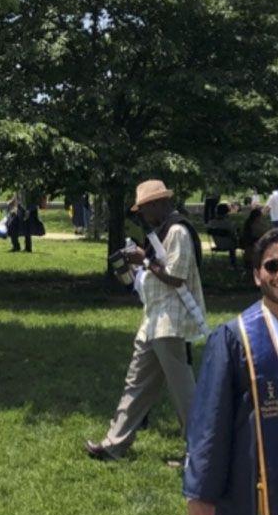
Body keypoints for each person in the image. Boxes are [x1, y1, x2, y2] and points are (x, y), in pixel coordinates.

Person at [183, 228, 278, 515]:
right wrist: (199, 491)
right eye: (271, 265)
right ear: (256, 275)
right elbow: (210, 419)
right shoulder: (234, 338)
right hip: (252, 489)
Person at [85, 179, 206, 462]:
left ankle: (201, 453)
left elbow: (175, 276)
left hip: (171, 321)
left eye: (144, 209)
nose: (142, 215)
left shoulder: (177, 231)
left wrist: (144, 260)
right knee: (136, 383)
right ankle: (114, 445)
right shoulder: (161, 232)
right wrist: (135, 269)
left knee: (184, 393)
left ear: (157, 204)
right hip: (153, 319)